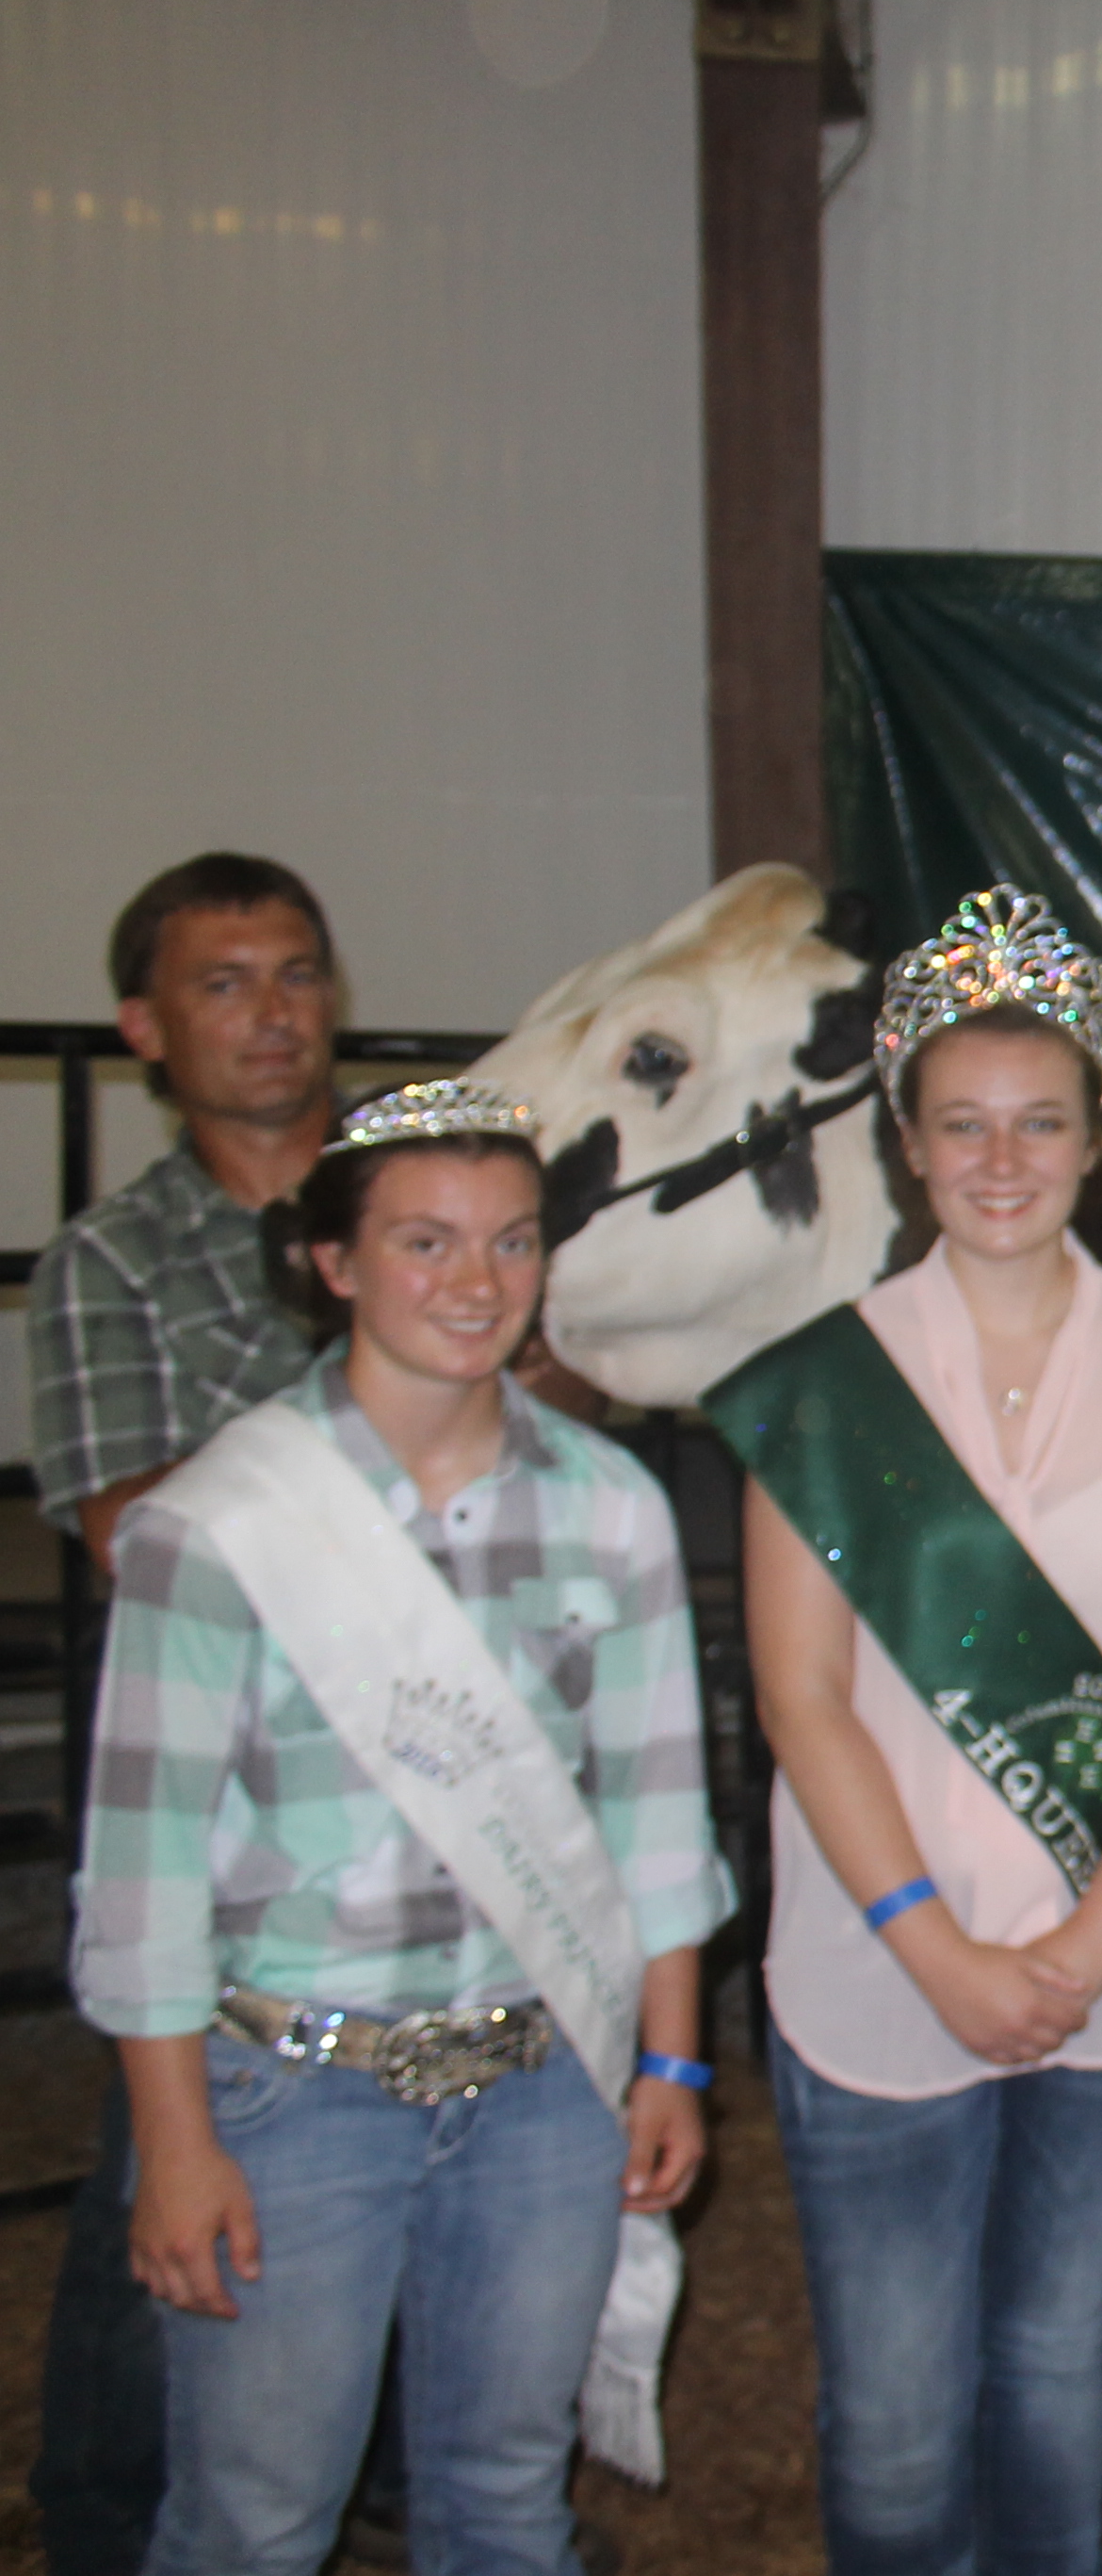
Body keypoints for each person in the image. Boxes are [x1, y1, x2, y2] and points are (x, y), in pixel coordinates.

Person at [75, 1077, 728, 2576]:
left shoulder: (611, 1506)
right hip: (291, 2091)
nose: (476, 1283)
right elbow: (143, 1869)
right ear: (335, 1262)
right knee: (254, 2524)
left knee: (507, 2500)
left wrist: (671, 2059)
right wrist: (171, 2143)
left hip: (544, 2082)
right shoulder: (224, 1522)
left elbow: (656, 1813)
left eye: (512, 1241)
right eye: (425, 1242)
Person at [717, 889, 1102, 2576]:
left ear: (1098, 1141)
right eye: (962, 1124)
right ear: (905, 1145)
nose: (1002, 1159)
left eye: (1040, 1122)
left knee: (1049, 2368)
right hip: (879, 1961)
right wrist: (935, 1947)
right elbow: (801, 1700)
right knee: (892, 2422)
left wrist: (1089, 1942)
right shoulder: (821, 1383)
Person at [27, 852, 340, 2576]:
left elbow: (559, 1400)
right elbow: (121, 1527)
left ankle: (387, 2471)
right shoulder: (113, 1257)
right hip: (224, 1775)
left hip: (445, 1741)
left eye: (295, 972)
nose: (273, 1012)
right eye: (224, 984)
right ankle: (102, 2507)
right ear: (145, 1029)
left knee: (437, 2113)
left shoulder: (434, 1195)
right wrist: (372, 1418)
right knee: (167, 2134)